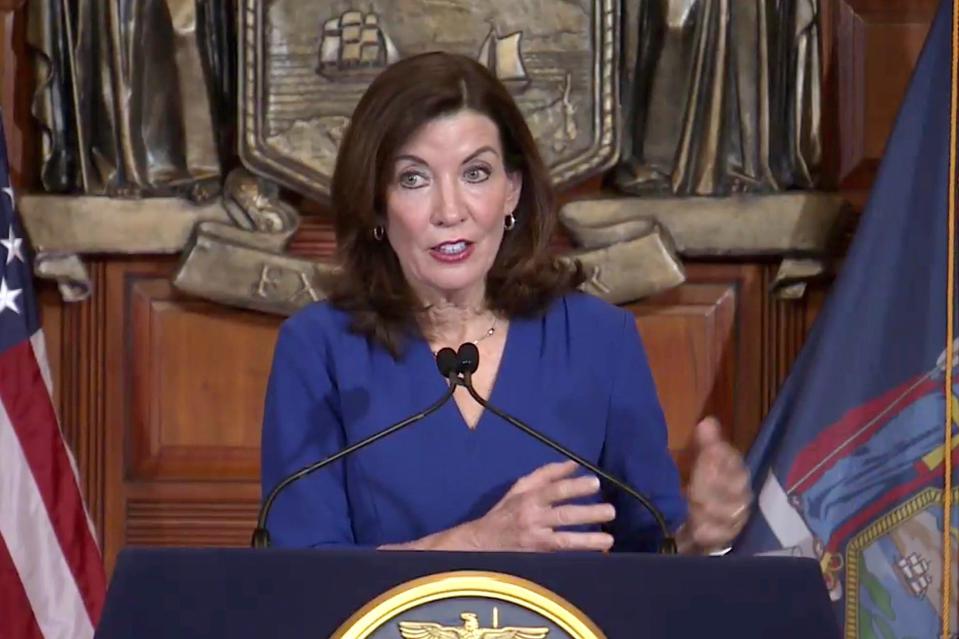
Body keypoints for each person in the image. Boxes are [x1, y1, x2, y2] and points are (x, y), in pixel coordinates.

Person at [260, 52, 751, 553]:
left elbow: (656, 549)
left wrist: (701, 535)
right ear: (376, 203)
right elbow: (302, 577)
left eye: (475, 173)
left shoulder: (598, 341)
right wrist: (476, 541)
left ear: (511, 190)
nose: (450, 211)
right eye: (414, 178)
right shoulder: (318, 349)